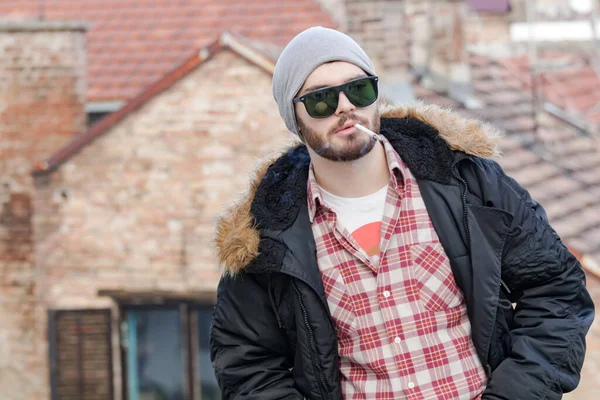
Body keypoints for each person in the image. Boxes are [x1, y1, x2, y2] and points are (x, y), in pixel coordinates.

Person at [209, 27, 594, 400]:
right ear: (295, 119)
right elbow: (247, 368)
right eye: (321, 100)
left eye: (359, 90)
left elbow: (556, 292)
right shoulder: (265, 237)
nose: (346, 107)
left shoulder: (466, 183)